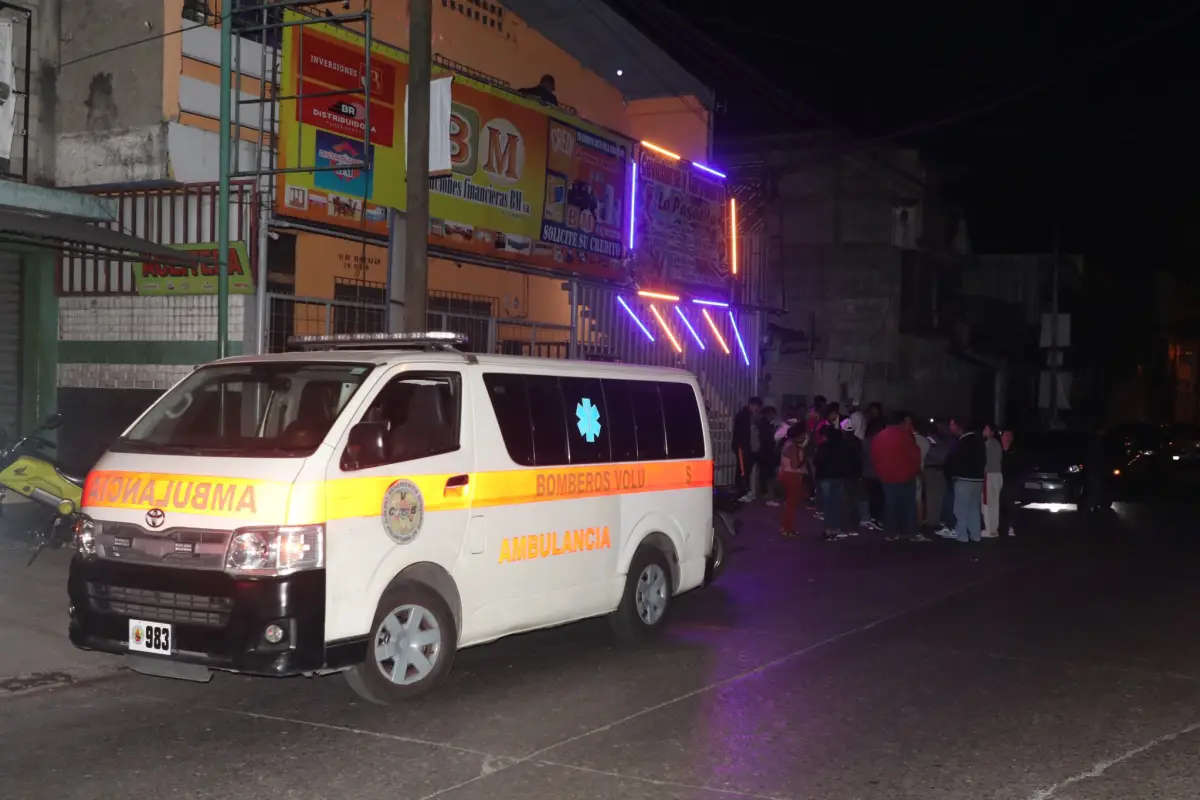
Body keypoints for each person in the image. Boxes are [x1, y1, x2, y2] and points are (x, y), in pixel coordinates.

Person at [872, 411, 926, 541]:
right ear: (902, 422)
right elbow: (915, 455)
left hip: (887, 477)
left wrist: (881, 473)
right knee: (909, 505)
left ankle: (892, 533)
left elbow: (874, 457)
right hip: (906, 476)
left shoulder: (879, 436)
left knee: (890, 505)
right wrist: (914, 471)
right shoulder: (904, 436)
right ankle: (911, 532)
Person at [814, 402, 854, 539]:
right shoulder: (838, 441)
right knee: (834, 503)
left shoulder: (824, 440)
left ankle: (830, 529)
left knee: (829, 503)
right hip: (835, 474)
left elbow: (818, 459)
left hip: (826, 474)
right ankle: (834, 528)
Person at [946, 418, 986, 543]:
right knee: (974, 508)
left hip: (963, 479)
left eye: (952, 425)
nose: (950, 428)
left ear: (960, 427)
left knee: (960, 509)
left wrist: (952, 475)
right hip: (978, 479)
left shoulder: (961, 443)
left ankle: (962, 535)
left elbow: (953, 461)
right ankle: (975, 534)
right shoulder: (980, 441)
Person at [778, 425, 810, 537]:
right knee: (792, 503)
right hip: (792, 476)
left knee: (791, 502)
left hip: (787, 475)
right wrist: (805, 459)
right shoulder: (793, 446)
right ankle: (787, 529)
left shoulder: (789, 444)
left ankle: (785, 527)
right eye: (804, 434)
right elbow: (795, 464)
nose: (806, 436)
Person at [923, 420, 953, 536]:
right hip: (939, 470)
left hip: (932, 469)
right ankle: (934, 519)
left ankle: (932, 520)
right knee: (937, 496)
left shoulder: (931, 441)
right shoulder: (942, 442)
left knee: (932, 496)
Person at [731, 397, 764, 500]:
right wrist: (745, 447)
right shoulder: (743, 416)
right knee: (742, 470)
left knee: (746, 470)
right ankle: (740, 492)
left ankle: (743, 491)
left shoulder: (750, 416)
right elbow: (742, 434)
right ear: (751, 405)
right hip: (743, 447)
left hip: (748, 448)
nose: (758, 410)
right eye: (757, 407)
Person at [858, 416, 885, 530]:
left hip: (866, 472)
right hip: (877, 472)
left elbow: (861, 457)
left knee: (866, 497)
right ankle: (875, 518)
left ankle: (867, 518)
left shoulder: (864, 442)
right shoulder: (881, 442)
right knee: (877, 497)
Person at [981, 423, 1005, 538]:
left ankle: (989, 530)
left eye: (986, 429)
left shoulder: (987, 444)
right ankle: (994, 529)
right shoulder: (998, 444)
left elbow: (984, 461)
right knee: (995, 503)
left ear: (991, 432)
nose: (983, 430)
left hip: (989, 474)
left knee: (987, 503)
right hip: (998, 474)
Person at [998, 429, 1017, 537]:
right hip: (997, 480)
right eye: (1006, 435)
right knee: (997, 505)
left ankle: (1010, 527)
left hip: (1010, 482)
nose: (1008, 438)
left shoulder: (1014, 451)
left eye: (1010, 435)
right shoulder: (997, 449)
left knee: (1010, 505)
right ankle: (998, 526)